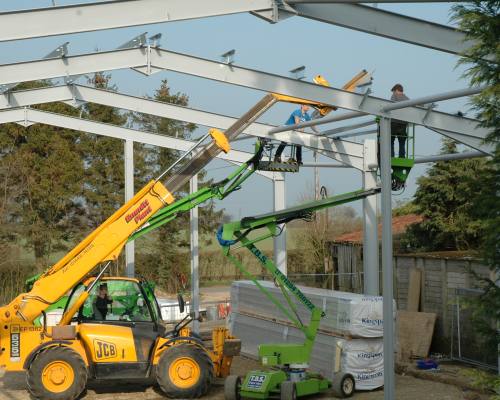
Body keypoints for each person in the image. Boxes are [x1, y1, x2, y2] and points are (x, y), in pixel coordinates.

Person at [390, 84, 409, 158]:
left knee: (391, 140)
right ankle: (402, 157)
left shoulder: (394, 96)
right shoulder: (407, 99)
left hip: (394, 122)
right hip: (403, 123)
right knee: (402, 142)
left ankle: (391, 156)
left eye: (393, 91)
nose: (393, 93)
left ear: (397, 90)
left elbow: (390, 107)